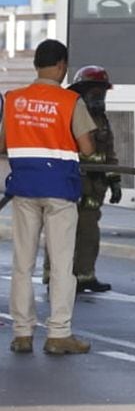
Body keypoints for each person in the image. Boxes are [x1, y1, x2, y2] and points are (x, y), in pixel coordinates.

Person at [1, 39, 96, 355]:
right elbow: (87, 148)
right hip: (59, 191)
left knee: (22, 265)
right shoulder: (70, 101)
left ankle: (22, 334)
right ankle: (58, 334)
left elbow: (2, 144)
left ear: (36, 65)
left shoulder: (14, 100)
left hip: (24, 189)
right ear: (61, 65)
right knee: (61, 265)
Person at [66, 65, 122, 293]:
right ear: (82, 93)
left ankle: (85, 276)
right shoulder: (70, 115)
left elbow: (109, 153)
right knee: (65, 232)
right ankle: (58, 276)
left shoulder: (102, 120)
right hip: (73, 184)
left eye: (102, 93)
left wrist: (115, 181)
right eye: (95, 93)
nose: (99, 98)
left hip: (94, 188)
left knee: (89, 233)